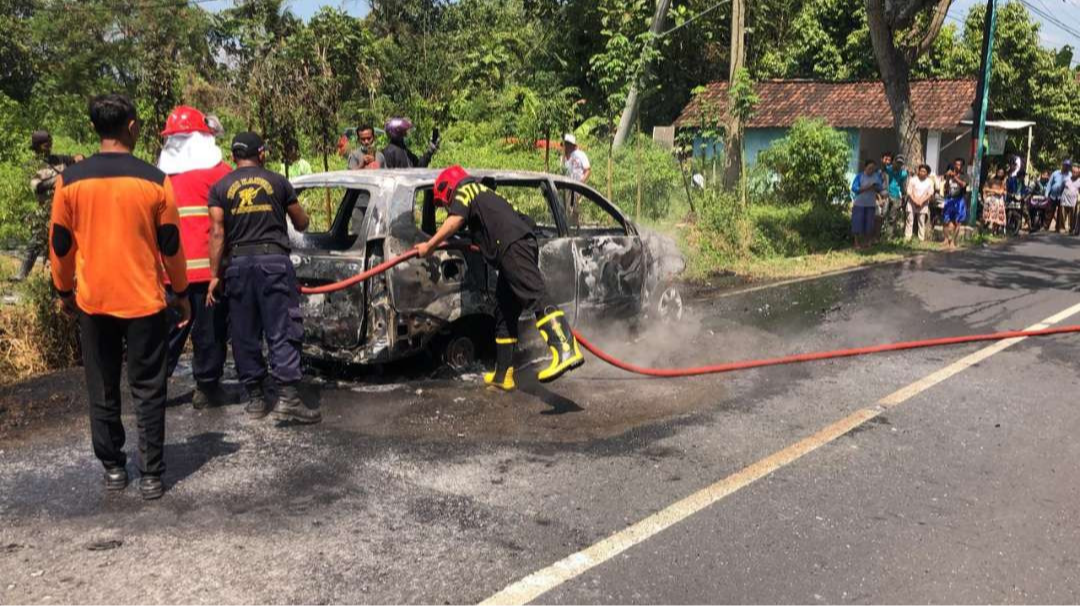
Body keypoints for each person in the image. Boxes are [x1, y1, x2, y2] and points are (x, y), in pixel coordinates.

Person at [50, 94, 191, 500]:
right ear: (131, 127)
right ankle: (151, 475)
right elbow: (171, 245)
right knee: (148, 387)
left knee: (103, 384)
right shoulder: (154, 179)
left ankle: (113, 467)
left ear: (97, 129)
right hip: (145, 300)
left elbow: (60, 246)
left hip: (93, 301)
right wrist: (180, 292)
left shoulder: (70, 181)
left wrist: (63, 290)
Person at [415, 166, 584, 390]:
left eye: (443, 203)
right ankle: (503, 375)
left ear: (447, 188)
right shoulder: (481, 193)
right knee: (504, 309)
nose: (446, 208)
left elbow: (455, 220)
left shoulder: (465, 190)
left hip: (512, 246)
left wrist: (429, 245)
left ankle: (565, 348)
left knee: (534, 295)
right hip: (512, 245)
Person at [207, 132, 321, 424]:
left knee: (244, 331)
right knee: (282, 327)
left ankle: (256, 398)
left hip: (238, 265)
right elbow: (302, 221)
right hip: (274, 262)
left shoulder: (220, 187)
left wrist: (214, 276)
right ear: (262, 153)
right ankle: (288, 399)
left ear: (233, 156)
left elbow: (217, 233)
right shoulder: (278, 182)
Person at [157, 105, 233, 408]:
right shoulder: (220, 174)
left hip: (169, 274)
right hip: (208, 274)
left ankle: (154, 388)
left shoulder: (158, 178)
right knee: (210, 332)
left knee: (169, 333)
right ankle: (207, 388)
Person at [17, 131, 82, 281]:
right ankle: (22, 274)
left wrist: (79, 158)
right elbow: (37, 187)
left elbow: (75, 160)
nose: (50, 146)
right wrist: (57, 180)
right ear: (38, 146)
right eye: (46, 144)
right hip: (46, 208)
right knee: (36, 241)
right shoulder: (32, 166)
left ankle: (68, 277)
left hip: (66, 207)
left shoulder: (59, 159)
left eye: (50, 143)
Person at [851, 159, 883, 249]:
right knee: (857, 223)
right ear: (865, 167)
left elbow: (880, 187)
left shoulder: (876, 176)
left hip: (871, 204)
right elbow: (854, 188)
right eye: (870, 168)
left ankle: (867, 243)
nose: (871, 170)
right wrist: (867, 187)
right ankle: (856, 243)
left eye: (873, 168)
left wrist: (876, 187)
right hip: (859, 203)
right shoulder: (860, 176)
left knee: (869, 224)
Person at [943, 158, 969, 248]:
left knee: (957, 222)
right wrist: (947, 178)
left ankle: (953, 241)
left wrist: (954, 177)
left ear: (962, 166)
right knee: (946, 221)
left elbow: (963, 185)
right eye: (956, 164)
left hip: (959, 200)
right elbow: (946, 188)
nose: (957, 166)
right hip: (949, 199)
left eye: (959, 164)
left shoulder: (964, 175)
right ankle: (946, 240)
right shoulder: (949, 174)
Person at [906, 164, 935, 242]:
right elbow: (909, 192)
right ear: (918, 171)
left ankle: (921, 239)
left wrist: (921, 201)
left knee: (921, 222)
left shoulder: (930, 181)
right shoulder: (913, 179)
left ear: (927, 173)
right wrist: (915, 200)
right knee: (909, 221)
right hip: (912, 202)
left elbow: (930, 193)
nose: (922, 172)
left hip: (923, 203)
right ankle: (907, 238)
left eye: (924, 171)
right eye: (921, 170)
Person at [882, 153, 909, 238]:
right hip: (886, 195)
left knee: (892, 217)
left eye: (901, 163)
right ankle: (879, 235)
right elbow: (883, 168)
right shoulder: (887, 169)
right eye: (897, 162)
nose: (899, 164)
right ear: (894, 161)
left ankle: (889, 236)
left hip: (896, 196)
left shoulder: (903, 173)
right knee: (882, 214)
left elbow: (903, 186)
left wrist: (904, 196)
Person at [1047, 159, 1071, 232]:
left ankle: (1058, 228)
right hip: (1053, 196)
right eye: (1065, 165)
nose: (1066, 167)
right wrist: (1046, 194)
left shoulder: (1070, 174)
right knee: (1049, 211)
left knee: (1060, 213)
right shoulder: (1055, 173)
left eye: (1068, 166)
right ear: (1062, 165)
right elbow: (1049, 184)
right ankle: (1045, 226)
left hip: (1063, 197)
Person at [982, 166, 1007, 233]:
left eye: (1002, 172)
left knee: (997, 217)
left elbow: (1001, 192)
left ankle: (994, 231)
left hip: (998, 201)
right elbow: (985, 189)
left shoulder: (1003, 182)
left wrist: (991, 190)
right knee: (988, 216)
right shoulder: (991, 180)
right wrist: (988, 193)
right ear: (997, 172)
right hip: (990, 200)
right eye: (999, 172)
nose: (1000, 173)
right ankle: (987, 229)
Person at [1064, 164, 1080, 236]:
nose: (1074, 173)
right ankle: (1072, 229)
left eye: (1076, 172)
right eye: (1073, 171)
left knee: (1076, 215)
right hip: (1067, 200)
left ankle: (1075, 230)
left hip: (1077, 200)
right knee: (1074, 215)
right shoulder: (1068, 178)